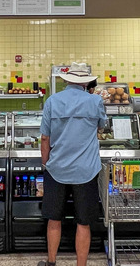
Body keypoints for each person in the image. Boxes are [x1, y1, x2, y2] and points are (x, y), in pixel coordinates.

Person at [38, 62, 107, 266]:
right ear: (86, 82)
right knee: (84, 222)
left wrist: (46, 163)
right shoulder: (95, 101)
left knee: (54, 219)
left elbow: (44, 138)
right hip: (86, 169)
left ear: (67, 80)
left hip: (57, 167)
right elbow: (101, 127)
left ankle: (51, 261)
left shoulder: (52, 101)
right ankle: (81, 264)